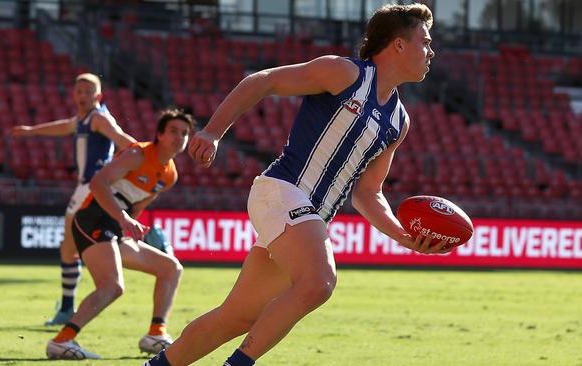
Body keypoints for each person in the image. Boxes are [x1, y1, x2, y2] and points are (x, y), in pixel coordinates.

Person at [145, 4, 451, 366]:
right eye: (425, 42)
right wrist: (212, 131)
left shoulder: (399, 121)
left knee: (237, 317)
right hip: (281, 191)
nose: (431, 52)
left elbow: (369, 193)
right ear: (398, 45)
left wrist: (404, 237)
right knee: (319, 282)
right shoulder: (345, 72)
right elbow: (264, 80)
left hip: (306, 216)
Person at [45, 109, 194, 360]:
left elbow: (137, 207)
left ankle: (156, 334)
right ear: (159, 134)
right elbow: (98, 184)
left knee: (171, 268)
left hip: (114, 227)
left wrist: (131, 224)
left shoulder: (170, 174)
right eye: (173, 131)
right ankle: (62, 341)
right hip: (92, 218)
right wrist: (123, 218)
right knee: (112, 286)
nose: (179, 137)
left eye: (184, 133)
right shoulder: (137, 154)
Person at [10, 73, 136, 326]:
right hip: (87, 188)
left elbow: (123, 140)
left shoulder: (99, 118)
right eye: (79, 91)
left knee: (72, 248)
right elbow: (63, 126)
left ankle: (68, 309)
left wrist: (141, 154)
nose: (82, 96)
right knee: (69, 249)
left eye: (88, 92)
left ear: (98, 96)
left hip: (90, 189)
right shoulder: (84, 118)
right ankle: (67, 306)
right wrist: (31, 131)